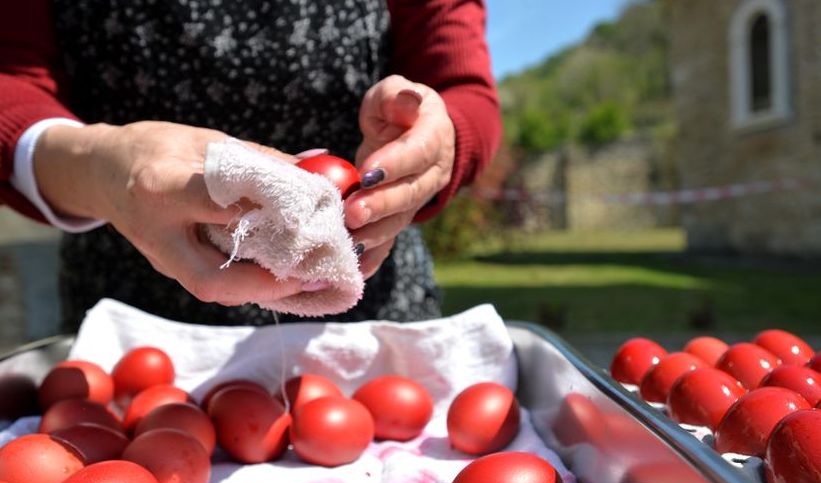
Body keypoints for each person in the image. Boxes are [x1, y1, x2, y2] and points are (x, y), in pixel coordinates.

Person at [0, 0, 500, 332]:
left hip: (364, 309)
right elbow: (13, 84)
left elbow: (464, 89)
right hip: (135, 319)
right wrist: (104, 166)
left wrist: (434, 143)